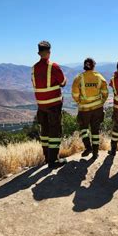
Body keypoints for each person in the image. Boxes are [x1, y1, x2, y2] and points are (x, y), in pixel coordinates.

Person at [31, 40, 67, 169]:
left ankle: (47, 158)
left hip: (41, 106)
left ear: (39, 53)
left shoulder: (34, 68)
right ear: (49, 52)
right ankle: (53, 161)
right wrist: (65, 79)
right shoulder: (54, 66)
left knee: (45, 131)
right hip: (53, 105)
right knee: (55, 132)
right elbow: (62, 82)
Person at [71, 58, 109, 159]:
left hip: (84, 109)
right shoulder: (99, 77)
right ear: (93, 66)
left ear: (84, 66)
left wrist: (79, 102)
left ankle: (88, 147)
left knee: (84, 129)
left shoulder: (78, 78)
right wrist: (101, 102)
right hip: (97, 109)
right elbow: (105, 92)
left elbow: (75, 94)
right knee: (95, 130)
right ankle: (95, 152)